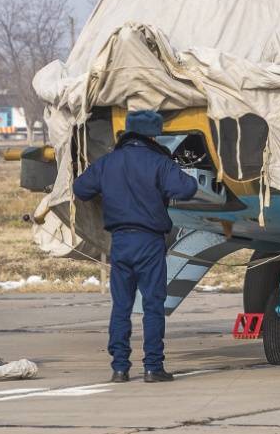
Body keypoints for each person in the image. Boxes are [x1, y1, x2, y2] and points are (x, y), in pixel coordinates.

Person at [73, 109, 198, 383]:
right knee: (153, 306)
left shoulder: (108, 162)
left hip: (120, 241)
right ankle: (153, 367)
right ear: (153, 135)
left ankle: (119, 368)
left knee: (121, 306)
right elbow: (187, 188)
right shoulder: (158, 162)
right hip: (149, 241)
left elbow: (81, 189)